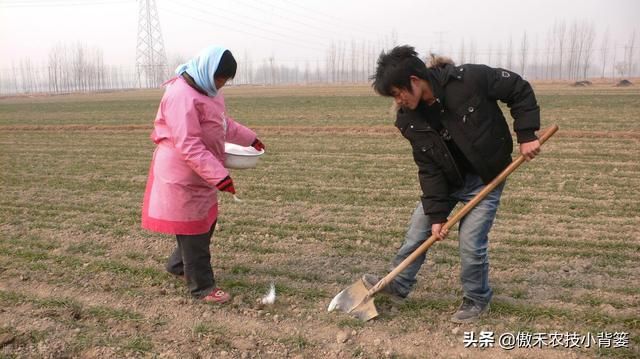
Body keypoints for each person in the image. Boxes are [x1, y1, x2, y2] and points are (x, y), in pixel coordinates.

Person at [365, 45, 540, 323]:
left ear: (414, 81)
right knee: (417, 233)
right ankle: (397, 285)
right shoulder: (408, 120)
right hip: (447, 182)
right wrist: (437, 215)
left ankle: (476, 298)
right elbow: (428, 168)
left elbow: (518, 88)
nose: (398, 101)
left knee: (471, 243)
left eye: (398, 93)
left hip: (486, 177)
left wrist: (527, 133)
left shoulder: (468, 79)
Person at [141, 45, 265, 304]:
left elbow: (223, 124)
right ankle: (202, 287)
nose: (222, 84)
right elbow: (189, 144)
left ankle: (178, 265)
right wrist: (219, 175)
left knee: (203, 225)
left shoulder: (209, 92)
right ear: (209, 71)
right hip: (182, 174)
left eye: (226, 81)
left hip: (201, 172)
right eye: (221, 78)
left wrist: (250, 138)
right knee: (194, 229)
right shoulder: (180, 95)